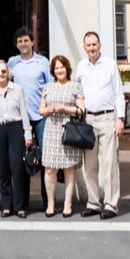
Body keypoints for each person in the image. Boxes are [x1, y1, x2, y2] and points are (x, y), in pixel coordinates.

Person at [72, 30, 124, 220]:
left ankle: (111, 205)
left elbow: (119, 93)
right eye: (88, 45)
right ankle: (93, 203)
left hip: (107, 119)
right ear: (84, 47)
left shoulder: (110, 65)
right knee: (90, 166)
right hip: (88, 121)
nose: (91, 48)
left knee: (109, 164)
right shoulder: (81, 66)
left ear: (99, 45)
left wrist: (121, 119)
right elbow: (77, 92)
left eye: (94, 44)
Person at [7, 26, 51, 208]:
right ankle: (22, 201)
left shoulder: (43, 62)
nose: (23, 44)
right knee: (20, 160)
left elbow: (49, 87)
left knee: (45, 159)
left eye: (26, 40)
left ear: (33, 42)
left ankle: (47, 199)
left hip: (40, 117)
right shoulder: (11, 63)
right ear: (16, 45)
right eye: (20, 41)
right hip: (19, 119)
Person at [39, 55, 86, 217]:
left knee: (68, 168)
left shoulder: (76, 86)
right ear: (53, 71)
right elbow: (41, 111)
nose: (59, 70)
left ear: (67, 68)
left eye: (62, 67)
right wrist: (50, 110)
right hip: (51, 130)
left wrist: (64, 109)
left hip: (70, 130)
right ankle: (51, 204)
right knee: (50, 169)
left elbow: (81, 110)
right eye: (56, 68)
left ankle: (68, 204)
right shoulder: (48, 87)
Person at [0, 59, 33, 217]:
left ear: (8, 73)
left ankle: (19, 206)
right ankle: (7, 205)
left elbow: (23, 112)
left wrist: (27, 133)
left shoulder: (17, 89)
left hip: (15, 128)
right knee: (3, 168)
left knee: (17, 167)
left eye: (3, 71)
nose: (1, 74)